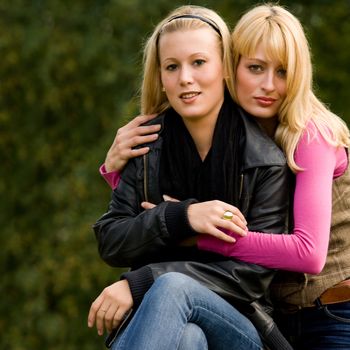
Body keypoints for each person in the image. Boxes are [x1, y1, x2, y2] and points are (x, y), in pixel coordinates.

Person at [94, 4, 350, 350]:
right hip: (269, 317)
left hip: (329, 315)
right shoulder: (165, 140)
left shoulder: (303, 139)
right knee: (187, 339)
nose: (268, 85)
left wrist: (194, 232)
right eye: (256, 68)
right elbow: (132, 224)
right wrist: (118, 173)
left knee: (172, 288)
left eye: (282, 72)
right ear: (235, 68)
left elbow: (308, 253)